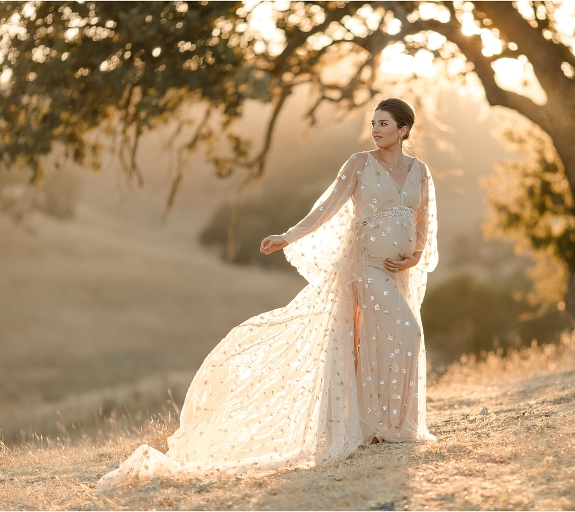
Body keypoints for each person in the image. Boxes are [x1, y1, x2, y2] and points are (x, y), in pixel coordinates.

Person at [97, 98, 438, 489]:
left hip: (399, 273)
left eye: (384, 123)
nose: (375, 129)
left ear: (403, 129)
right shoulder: (359, 164)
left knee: (378, 340)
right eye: (373, 123)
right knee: (406, 333)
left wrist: (413, 257)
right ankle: (381, 426)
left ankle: (385, 426)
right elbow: (326, 208)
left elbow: (423, 219)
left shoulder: (420, 172)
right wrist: (288, 236)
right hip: (366, 267)